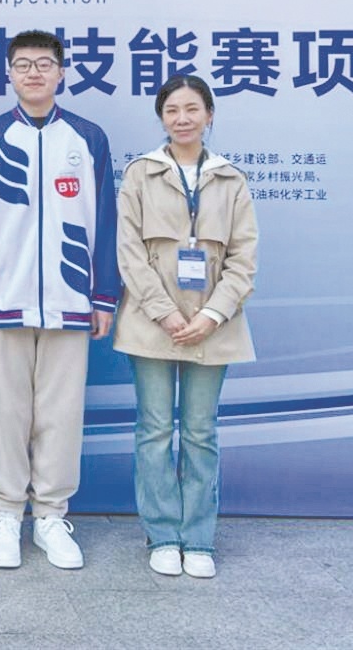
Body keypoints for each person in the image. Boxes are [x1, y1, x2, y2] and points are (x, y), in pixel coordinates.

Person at [0, 29, 119, 570]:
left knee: (61, 413)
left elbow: (106, 220)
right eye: (23, 64)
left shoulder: (88, 138)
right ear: (8, 73)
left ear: (61, 72)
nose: (34, 72)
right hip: (2, 297)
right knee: (4, 413)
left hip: (71, 296)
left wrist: (104, 295)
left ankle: (51, 515)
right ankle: (6, 514)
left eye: (44, 63)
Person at [113, 74, 257, 579]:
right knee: (154, 430)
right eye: (172, 110)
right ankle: (162, 534)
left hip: (214, 326)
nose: (182, 119)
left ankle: (198, 538)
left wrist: (212, 314)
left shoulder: (231, 179)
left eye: (192, 109)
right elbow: (129, 253)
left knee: (200, 432)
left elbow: (243, 260)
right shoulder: (141, 174)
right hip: (153, 322)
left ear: (209, 115)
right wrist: (165, 312)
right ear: (162, 117)